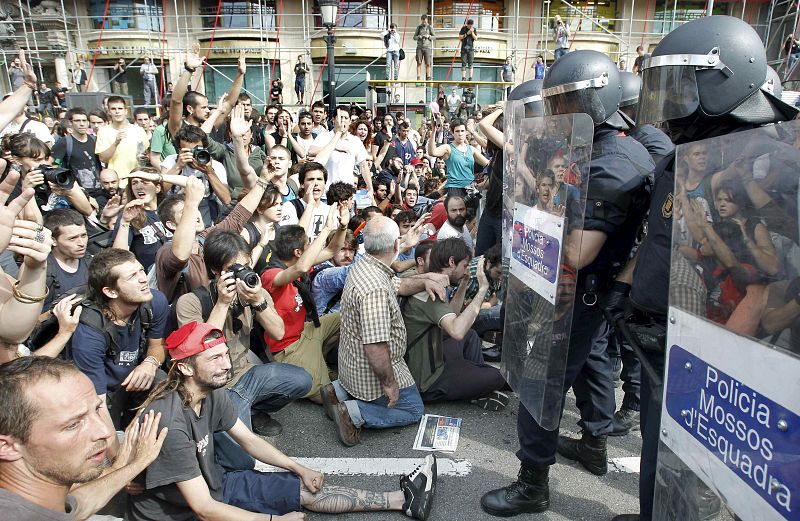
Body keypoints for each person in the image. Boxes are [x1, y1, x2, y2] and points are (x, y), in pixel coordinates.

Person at [610, 18, 799, 521]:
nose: (670, 108)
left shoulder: (771, 164)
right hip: (665, 337)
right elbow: (662, 236)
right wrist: (627, 290)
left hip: (725, 353)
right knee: (660, 450)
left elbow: (771, 281)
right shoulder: (681, 158)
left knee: (710, 476)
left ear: (724, 79)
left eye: (682, 89)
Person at [480, 49, 653, 517]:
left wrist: (530, 217)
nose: (553, 112)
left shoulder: (615, 161)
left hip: (578, 291)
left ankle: (532, 482)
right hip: (585, 292)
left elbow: (576, 251)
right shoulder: (601, 146)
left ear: (590, 102)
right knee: (593, 364)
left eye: (562, 101)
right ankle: (594, 442)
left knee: (538, 380)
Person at [129, 320, 437, 520]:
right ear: (184, 369)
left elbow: (248, 439)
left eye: (225, 354)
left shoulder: (211, 392)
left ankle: (403, 499)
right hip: (176, 512)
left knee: (301, 489)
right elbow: (203, 508)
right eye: (215, 358)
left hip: (214, 484)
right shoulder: (168, 420)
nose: (227, 365)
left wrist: (297, 467)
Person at [174, 229, 311, 462]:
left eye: (247, 265)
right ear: (217, 272)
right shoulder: (191, 303)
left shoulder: (253, 290)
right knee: (241, 460)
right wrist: (222, 303)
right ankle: (216, 421)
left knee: (301, 380)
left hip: (245, 374)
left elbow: (278, 332)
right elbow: (202, 351)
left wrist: (258, 301)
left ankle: (254, 409)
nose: (244, 274)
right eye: (235, 269)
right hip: (215, 388)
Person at [322, 216, 452, 447]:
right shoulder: (375, 290)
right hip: (368, 369)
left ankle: (337, 391)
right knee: (413, 409)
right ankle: (355, 414)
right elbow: (375, 346)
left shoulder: (366, 264)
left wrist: (423, 281)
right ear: (394, 246)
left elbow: (399, 285)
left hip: (350, 365)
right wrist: (390, 384)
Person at [0, 357, 169, 520]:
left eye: (96, 410)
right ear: (5, 446)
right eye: (73, 425)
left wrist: (134, 464)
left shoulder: (35, 502)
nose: (104, 431)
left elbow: (76, 506)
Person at [68, 248, 170, 430]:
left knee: (163, 381)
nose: (143, 279)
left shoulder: (155, 302)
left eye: (141, 270)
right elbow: (95, 402)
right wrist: (117, 454)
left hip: (133, 381)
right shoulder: (89, 333)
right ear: (111, 292)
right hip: (100, 393)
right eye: (132, 276)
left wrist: (150, 363)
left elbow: (157, 345)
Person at [403, 237, 507, 407]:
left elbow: (450, 314)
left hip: (433, 356)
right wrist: (483, 289)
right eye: (465, 265)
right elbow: (456, 332)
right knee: (498, 376)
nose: (468, 269)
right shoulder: (431, 294)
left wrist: (464, 282)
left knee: (471, 335)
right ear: (452, 262)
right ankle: (474, 386)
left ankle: (473, 384)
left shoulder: (423, 280)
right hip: (426, 382)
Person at [260, 206, 350, 402]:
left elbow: (331, 249)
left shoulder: (297, 261)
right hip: (289, 348)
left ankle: (321, 356)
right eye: (309, 243)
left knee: (352, 314)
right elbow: (301, 268)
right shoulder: (271, 274)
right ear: (298, 252)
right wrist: (326, 229)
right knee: (327, 396)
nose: (312, 248)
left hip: (307, 330)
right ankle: (306, 371)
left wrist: (342, 227)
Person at [160, 124, 230, 227]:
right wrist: (178, 166)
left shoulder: (215, 166)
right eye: (189, 151)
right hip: (175, 212)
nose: (194, 155)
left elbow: (227, 199)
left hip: (204, 212)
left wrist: (209, 172)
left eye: (197, 149)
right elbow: (160, 191)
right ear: (179, 150)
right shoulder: (171, 161)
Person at [109, 168, 170, 271]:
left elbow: (192, 184)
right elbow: (118, 257)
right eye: (134, 183)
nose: (139, 186)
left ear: (157, 188)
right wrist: (125, 221)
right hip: (150, 278)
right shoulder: (129, 215)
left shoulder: (169, 210)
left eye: (145, 182)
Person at [42, 208, 90, 311]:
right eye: (72, 238)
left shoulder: (91, 262)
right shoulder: (42, 271)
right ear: (53, 240)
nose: (81, 243)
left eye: (84, 235)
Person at [427, 117, 489, 197]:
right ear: (452, 133)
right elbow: (432, 152)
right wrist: (434, 130)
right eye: (457, 131)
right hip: (455, 189)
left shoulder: (471, 149)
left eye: (462, 131)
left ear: (466, 132)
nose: (460, 134)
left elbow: (488, 163)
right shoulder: (448, 148)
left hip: (470, 189)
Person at [51, 107, 102, 196]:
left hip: (99, 190)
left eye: (84, 120)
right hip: (77, 192)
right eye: (77, 121)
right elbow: (54, 165)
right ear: (70, 122)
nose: (82, 124)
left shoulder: (95, 140)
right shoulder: (64, 142)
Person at [96, 95, 149, 179]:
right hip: (116, 180)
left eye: (120, 108)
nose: (117, 112)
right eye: (113, 109)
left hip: (137, 178)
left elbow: (146, 153)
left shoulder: (138, 130)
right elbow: (103, 159)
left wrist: (145, 157)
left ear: (126, 111)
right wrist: (116, 143)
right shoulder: (103, 131)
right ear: (109, 112)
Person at [280, 161, 331, 239]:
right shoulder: (290, 207)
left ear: (325, 183)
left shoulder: (330, 210)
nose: (316, 183)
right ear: (302, 184)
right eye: (311, 179)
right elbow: (293, 241)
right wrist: (310, 205)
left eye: (319, 179)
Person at [413, 14, 435, 81]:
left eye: (425, 21)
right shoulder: (419, 27)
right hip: (419, 47)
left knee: (428, 63)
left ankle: (428, 77)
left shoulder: (430, 27)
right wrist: (419, 37)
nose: (424, 23)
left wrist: (429, 36)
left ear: (427, 20)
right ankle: (418, 77)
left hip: (427, 47)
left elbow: (435, 37)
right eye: (423, 21)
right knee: (419, 63)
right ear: (421, 20)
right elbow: (414, 37)